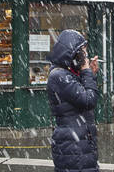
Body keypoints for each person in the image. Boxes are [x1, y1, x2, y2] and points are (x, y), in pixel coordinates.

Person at [46, 30, 99, 172]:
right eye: (82, 53)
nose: (85, 57)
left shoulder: (68, 74)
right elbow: (88, 100)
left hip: (78, 141)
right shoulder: (60, 76)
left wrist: (91, 74)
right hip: (73, 145)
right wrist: (87, 72)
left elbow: (84, 95)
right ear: (72, 53)